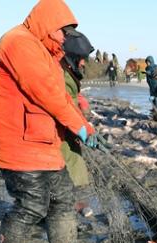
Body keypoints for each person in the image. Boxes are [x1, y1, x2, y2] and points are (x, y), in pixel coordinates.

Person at [0, 0, 95, 243]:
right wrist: (79, 127)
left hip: (42, 141)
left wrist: (83, 126)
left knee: (63, 198)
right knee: (32, 204)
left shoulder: (45, 51)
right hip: (18, 143)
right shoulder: (19, 43)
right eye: (63, 33)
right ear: (49, 25)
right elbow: (47, 93)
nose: (64, 39)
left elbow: (63, 97)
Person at [60, 28, 94, 190]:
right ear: (72, 56)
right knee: (69, 173)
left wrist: (83, 104)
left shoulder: (68, 72)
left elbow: (73, 96)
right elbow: (62, 105)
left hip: (71, 129)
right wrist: (83, 129)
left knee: (75, 168)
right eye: (81, 58)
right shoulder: (61, 74)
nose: (83, 63)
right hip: (62, 133)